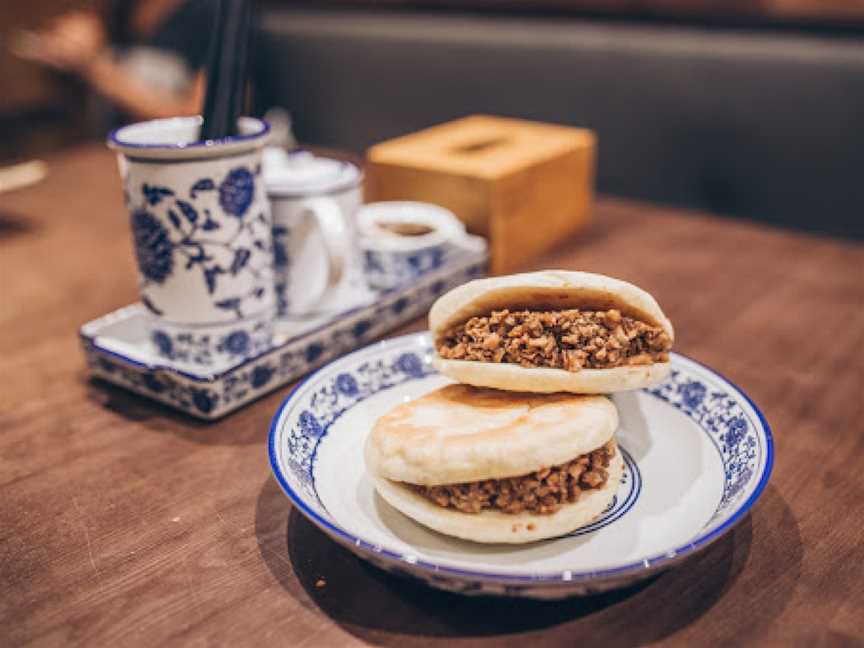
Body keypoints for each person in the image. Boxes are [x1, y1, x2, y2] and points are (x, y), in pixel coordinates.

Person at [13, 0, 216, 121]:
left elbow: (195, 117)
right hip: (104, 158)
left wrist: (94, 66)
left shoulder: (217, 13)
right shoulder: (123, 8)